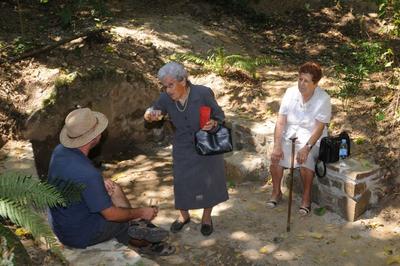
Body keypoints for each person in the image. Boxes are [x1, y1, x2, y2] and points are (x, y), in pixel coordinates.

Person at [47, 107, 175, 256]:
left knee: (115, 189)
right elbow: (111, 215)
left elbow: (74, 176)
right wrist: (141, 212)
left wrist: (100, 182)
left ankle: (137, 224)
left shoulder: (60, 151)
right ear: (95, 137)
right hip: (77, 234)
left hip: (60, 221)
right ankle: (145, 244)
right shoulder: (89, 175)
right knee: (122, 222)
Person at [144, 62, 228, 236]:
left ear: (182, 80)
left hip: (206, 143)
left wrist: (214, 123)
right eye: (165, 86)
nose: (168, 90)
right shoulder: (166, 98)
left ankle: (206, 217)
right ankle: (183, 216)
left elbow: (219, 116)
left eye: (171, 85)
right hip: (182, 144)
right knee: (182, 181)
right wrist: (150, 115)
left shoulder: (203, 93)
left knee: (209, 180)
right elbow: (152, 111)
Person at [266, 61, 331, 216]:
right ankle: (276, 192)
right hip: (291, 136)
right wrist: (277, 145)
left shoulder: (323, 98)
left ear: (315, 84)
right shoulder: (290, 93)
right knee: (275, 157)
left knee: (306, 162)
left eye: (306, 81)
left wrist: (306, 147)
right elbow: (281, 121)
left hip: (311, 140)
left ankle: (306, 198)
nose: (301, 84)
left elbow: (319, 128)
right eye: (300, 79)